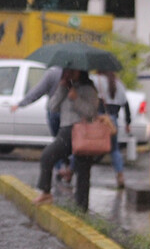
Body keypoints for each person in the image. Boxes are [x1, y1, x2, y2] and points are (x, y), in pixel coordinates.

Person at [33, 69, 99, 211]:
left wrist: (76, 99)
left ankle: (81, 209)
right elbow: (52, 107)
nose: (68, 74)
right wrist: (62, 88)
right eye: (66, 71)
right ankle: (46, 192)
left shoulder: (89, 89)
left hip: (81, 131)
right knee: (47, 156)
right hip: (66, 130)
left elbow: (91, 112)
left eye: (72, 72)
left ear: (80, 72)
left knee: (83, 171)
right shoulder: (64, 87)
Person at [10, 65, 71, 179]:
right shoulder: (75, 73)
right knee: (67, 142)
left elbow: (38, 91)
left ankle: (60, 168)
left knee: (57, 141)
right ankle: (67, 167)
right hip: (70, 114)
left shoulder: (52, 73)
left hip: (54, 111)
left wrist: (21, 103)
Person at [92, 71, 131, 188]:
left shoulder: (95, 80)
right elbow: (126, 104)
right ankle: (120, 175)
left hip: (99, 120)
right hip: (112, 122)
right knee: (114, 150)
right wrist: (128, 122)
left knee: (88, 147)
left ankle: (70, 171)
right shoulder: (119, 84)